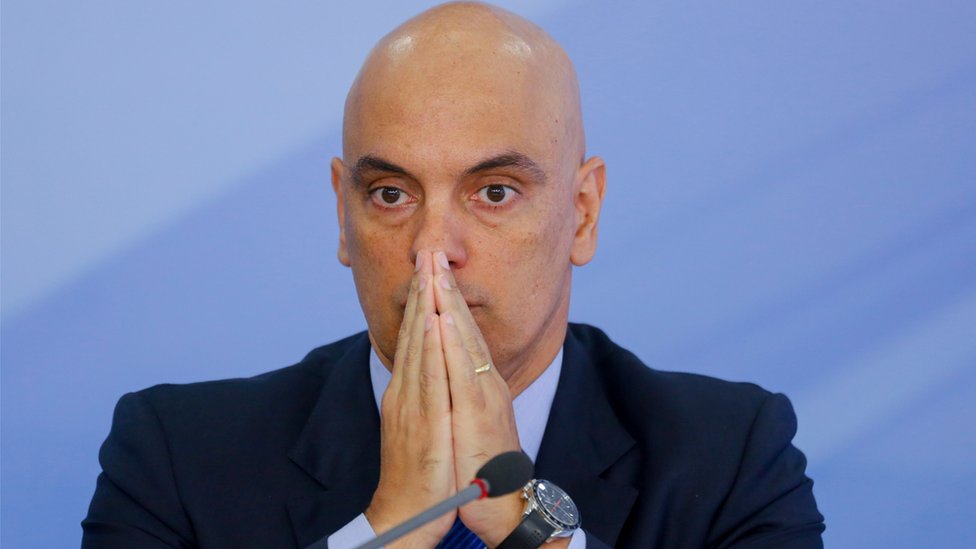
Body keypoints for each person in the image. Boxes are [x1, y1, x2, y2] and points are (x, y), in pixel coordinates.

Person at [82, 2, 825, 548]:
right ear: (343, 216)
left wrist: (526, 527)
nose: (432, 249)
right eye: (391, 194)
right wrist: (390, 527)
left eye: (494, 192)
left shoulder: (731, 455)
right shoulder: (175, 455)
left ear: (583, 213)